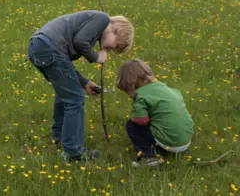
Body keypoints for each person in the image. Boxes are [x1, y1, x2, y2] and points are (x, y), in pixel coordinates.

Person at [27, 10, 134, 162]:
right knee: (75, 99)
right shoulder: (103, 19)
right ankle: (73, 152)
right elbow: (79, 42)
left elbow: (64, 63)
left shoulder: (91, 28)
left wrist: (84, 83)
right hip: (49, 47)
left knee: (65, 94)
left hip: (40, 46)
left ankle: (59, 137)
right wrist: (96, 56)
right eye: (114, 47)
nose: (109, 51)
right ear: (117, 30)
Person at [116, 59, 194, 167]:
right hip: (185, 141)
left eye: (127, 92)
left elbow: (141, 121)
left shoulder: (141, 96)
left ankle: (150, 156)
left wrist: (135, 117)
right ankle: (167, 149)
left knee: (132, 125)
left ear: (132, 86)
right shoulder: (165, 88)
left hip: (170, 142)